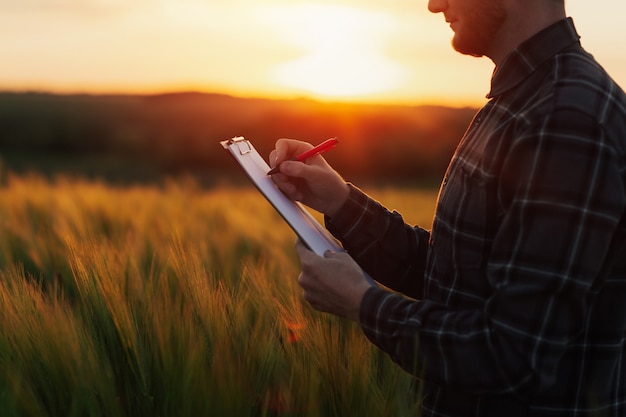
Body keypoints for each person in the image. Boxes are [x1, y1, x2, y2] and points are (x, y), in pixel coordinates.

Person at [269, 0, 626, 415]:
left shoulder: (566, 118)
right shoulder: (527, 99)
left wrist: (363, 304)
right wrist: (340, 201)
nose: (435, 4)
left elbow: (514, 354)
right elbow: (458, 282)